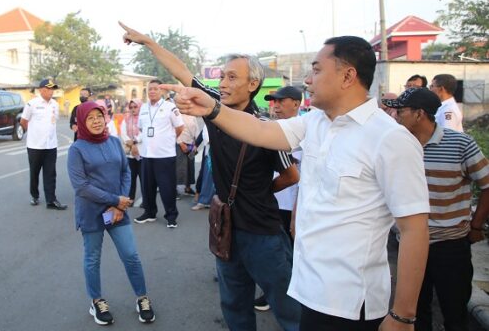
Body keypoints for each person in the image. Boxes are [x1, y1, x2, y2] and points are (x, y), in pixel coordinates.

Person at [160, 35, 431, 331]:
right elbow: (258, 131)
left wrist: (403, 315)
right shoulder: (315, 123)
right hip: (309, 290)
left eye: (316, 70)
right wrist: (211, 108)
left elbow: (414, 228)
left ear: (347, 75)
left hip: (351, 305)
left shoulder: (390, 139)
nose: (307, 79)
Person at [121, 22, 301, 330]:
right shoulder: (214, 107)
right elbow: (182, 71)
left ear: (253, 84)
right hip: (226, 229)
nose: (224, 83)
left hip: (263, 234)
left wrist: (258, 191)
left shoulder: (266, 127)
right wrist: (147, 42)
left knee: (288, 310)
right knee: (234, 306)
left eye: (233, 77)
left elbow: (291, 174)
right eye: (222, 76)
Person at [383, 87, 489, 331]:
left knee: (454, 312)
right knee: (414, 313)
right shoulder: (397, 145)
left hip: (450, 246)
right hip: (409, 245)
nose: (395, 115)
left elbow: (487, 184)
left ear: (419, 114)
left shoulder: (460, 144)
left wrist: (476, 226)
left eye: (401, 111)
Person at [67, 101, 156, 326]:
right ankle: (97, 301)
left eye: (100, 116)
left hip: (116, 213)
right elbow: (81, 186)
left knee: (131, 255)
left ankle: (142, 298)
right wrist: (115, 200)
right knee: (92, 259)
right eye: (90, 118)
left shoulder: (115, 142)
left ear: (106, 117)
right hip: (92, 213)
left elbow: (125, 173)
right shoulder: (76, 149)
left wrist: (119, 206)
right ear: (82, 122)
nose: (96, 121)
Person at [133, 79, 184, 229]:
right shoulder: (143, 108)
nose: (152, 91)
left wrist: (167, 139)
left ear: (162, 91)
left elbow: (179, 127)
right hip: (147, 155)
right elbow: (142, 129)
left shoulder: (170, 107)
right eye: (150, 89)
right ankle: (149, 213)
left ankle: (171, 216)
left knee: (167, 187)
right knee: (147, 187)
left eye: (155, 89)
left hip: (165, 155)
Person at [264, 85, 304, 243]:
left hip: (290, 205)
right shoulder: (269, 129)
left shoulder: (305, 132)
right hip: (270, 203)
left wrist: (296, 212)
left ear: (295, 104)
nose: (276, 106)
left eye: (281, 101)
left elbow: (302, 178)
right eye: (274, 101)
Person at [20, 79, 67, 210]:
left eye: (53, 89)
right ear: (41, 90)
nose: (51, 92)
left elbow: (53, 121)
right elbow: (23, 121)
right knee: (34, 172)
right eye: (49, 89)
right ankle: (34, 195)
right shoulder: (32, 104)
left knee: (51, 173)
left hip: (51, 145)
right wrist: (34, 133)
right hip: (35, 146)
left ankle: (51, 200)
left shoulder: (55, 105)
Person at [120, 99, 143, 203]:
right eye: (131, 107)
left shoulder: (144, 118)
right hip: (130, 154)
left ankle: (146, 200)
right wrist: (130, 143)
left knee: (144, 178)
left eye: (135, 107)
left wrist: (135, 141)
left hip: (142, 152)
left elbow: (145, 132)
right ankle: (131, 198)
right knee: (131, 177)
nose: (133, 109)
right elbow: (122, 132)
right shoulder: (126, 119)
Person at [176, 113, 198, 195]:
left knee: (190, 166)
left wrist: (196, 144)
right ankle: (175, 190)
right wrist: (181, 143)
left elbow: (197, 130)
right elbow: (174, 130)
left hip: (191, 144)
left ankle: (188, 188)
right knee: (179, 167)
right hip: (179, 144)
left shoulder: (193, 116)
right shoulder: (177, 115)